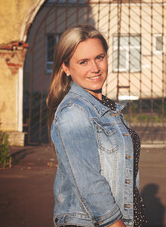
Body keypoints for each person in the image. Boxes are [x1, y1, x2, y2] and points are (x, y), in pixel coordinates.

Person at [46, 25, 146, 227]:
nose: (95, 68)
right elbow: (90, 183)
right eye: (83, 62)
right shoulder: (74, 112)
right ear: (66, 68)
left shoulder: (104, 107)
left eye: (99, 57)